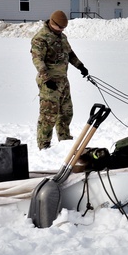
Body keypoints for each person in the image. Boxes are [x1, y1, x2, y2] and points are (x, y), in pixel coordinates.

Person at [30, 10, 89, 150]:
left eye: (64, 28)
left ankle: (65, 141)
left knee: (66, 112)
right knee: (48, 115)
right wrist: (46, 78)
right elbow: (37, 60)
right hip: (49, 82)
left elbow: (69, 53)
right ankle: (44, 146)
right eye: (60, 27)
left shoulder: (62, 37)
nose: (62, 30)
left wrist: (80, 66)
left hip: (63, 80)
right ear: (52, 22)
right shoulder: (41, 38)